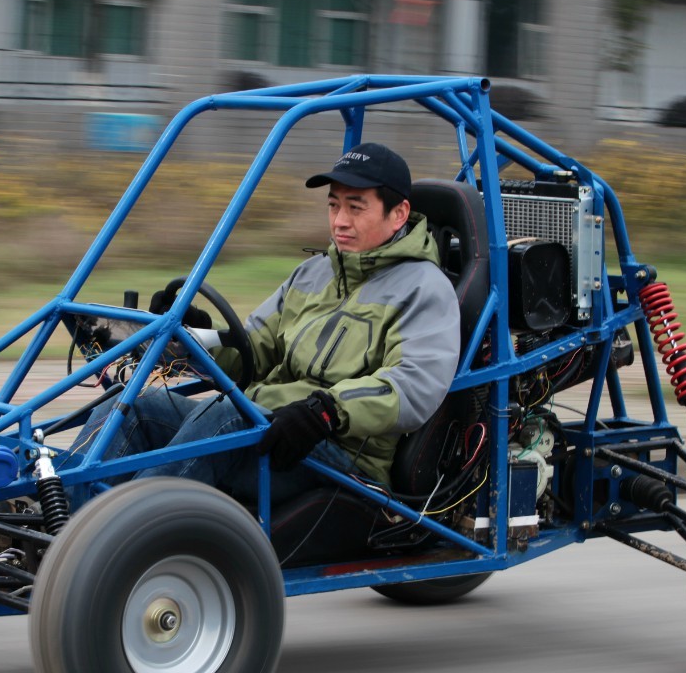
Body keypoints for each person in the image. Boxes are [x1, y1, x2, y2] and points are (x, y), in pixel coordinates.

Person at [66, 142, 460, 507]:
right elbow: (250, 353)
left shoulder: (424, 289)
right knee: (137, 405)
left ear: (399, 214)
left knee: (228, 414)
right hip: (268, 426)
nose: (339, 221)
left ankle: (120, 533)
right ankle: (57, 511)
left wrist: (326, 410)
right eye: (333, 206)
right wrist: (192, 337)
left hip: (342, 452)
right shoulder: (312, 275)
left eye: (356, 208)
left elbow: (412, 387)